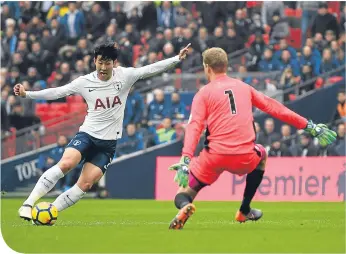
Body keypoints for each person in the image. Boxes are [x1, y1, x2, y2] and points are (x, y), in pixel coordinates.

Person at [15, 42, 191, 221]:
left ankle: (51, 212)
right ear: (94, 61)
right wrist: (27, 94)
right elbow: (57, 92)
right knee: (66, 164)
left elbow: (150, 69)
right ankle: (28, 204)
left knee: (85, 183)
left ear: (114, 63)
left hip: (107, 144)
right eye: (100, 62)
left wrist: (177, 58)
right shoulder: (85, 82)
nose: (103, 67)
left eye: (107, 63)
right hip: (87, 135)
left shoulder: (125, 76)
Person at [167, 47, 337, 230]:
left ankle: (186, 206)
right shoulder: (244, 88)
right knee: (262, 154)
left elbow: (194, 127)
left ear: (206, 67)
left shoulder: (203, 94)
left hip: (213, 157)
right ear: (226, 66)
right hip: (244, 157)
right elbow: (275, 108)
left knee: (182, 194)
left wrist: (185, 159)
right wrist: (309, 126)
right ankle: (244, 210)